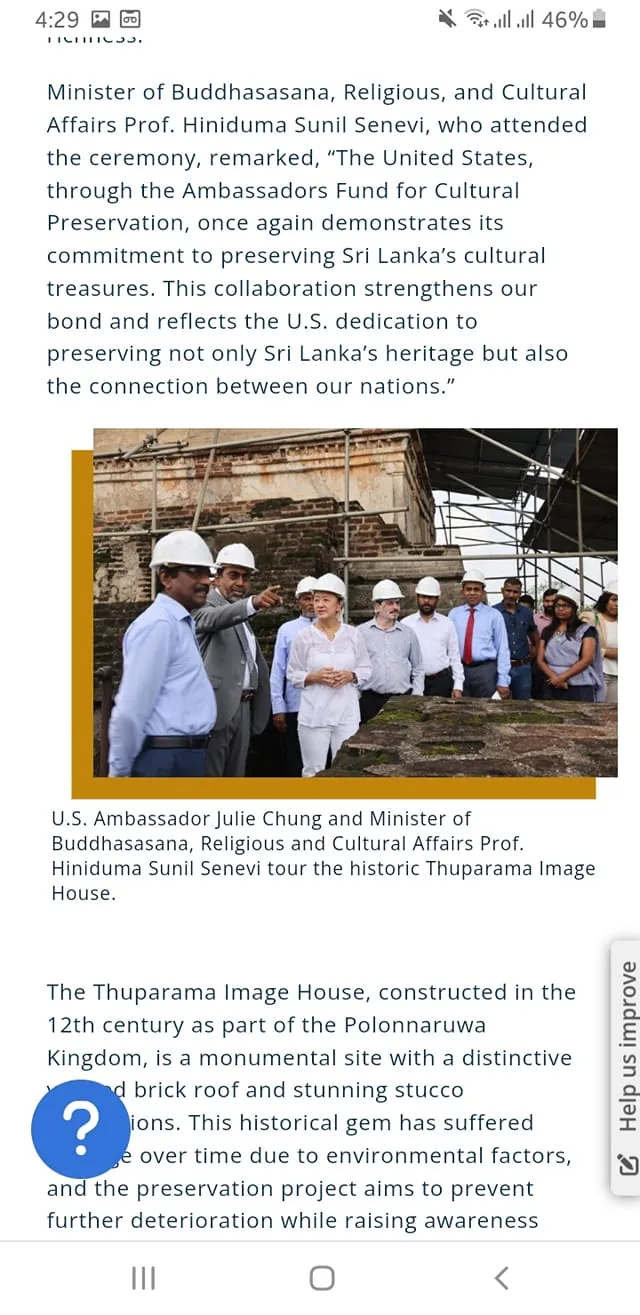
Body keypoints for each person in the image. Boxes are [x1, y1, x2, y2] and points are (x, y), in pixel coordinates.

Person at [108, 530, 217, 778]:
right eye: (194, 572)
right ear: (166, 577)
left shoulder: (178, 622)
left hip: (183, 757)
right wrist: (118, 773)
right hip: (164, 760)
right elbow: (130, 709)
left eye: (207, 573)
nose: (206, 581)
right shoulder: (159, 625)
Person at [194, 543, 282, 777]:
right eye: (233, 575)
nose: (241, 583)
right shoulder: (204, 605)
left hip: (244, 708)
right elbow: (212, 619)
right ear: (216, 577)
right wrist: (252, 603)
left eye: (246, 577)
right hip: (217, 708)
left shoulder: (240, 614)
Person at [286, 573, 372, 777]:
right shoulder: (304, 636)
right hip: (315, 714)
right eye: (316, 600)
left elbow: (366, 668)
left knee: (344, 770)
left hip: (346, 713)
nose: (319, 605)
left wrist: (351, 675)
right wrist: (314, 677)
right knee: (313, 771)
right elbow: (292, 674)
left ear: (339, 604)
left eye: (326, 599)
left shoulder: (353, 634)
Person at [357, 580, 424, 723]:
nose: (396, 607)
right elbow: (353, 667)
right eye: (390, 603)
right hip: (369, 700)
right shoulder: (360, 633)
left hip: (401, 700)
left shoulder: (408, 633)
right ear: (377, 606)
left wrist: (416, 695)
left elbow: (418, 668)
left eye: (397, 603)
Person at [270, 576, 318, 775]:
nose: (311, 604)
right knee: (295, 760)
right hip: (295, 705)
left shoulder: (335, 629)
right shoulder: (287, 630)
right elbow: (277, 670)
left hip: (324, 705)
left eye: (315, 598)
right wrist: (278, 707)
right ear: (299, 601)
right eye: (306, 598)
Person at [448, 570, 511, 699]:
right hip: (460, 669)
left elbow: (502, 648)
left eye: (476, 589)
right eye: (468, 589)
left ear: (483, 592)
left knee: (487, 709)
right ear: (462, 591)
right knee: (460, 710)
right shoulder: (454, 614)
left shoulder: (494, 615)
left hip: (485, 670)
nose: (472, 593)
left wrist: (503, 680)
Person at [537, 588, 604, 702]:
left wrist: (562, 677)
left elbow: (586, 659)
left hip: (579, 684)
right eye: (558, 606)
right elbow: (540, 660)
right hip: (552, 682)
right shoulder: (547, 630)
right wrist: (554, 678)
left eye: (566, 606)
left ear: (574, 608)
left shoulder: (586, 630)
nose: (560, 609)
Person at [402, 575, 463, 699]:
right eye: (423, 597)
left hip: (442, 683)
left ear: (437, 599)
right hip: (413, 682)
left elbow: (454, 657)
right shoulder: (405, 624)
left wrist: (458, 685)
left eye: (430, 598)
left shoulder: (447, 623)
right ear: (417, 597)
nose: (426, 601)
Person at [493, 577, 539, 700]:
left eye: (515, 592)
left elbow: (533, 633)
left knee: (524, 704)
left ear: (520, 593)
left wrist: (535, 650)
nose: (511, 595)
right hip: (499, 667)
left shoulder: (527, 613)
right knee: (498, 704)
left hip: (522, 667)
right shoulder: (493, 612)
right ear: (502, 591)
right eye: (508, 591)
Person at [580, 584, 618, 703]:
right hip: (599, 673)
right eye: (614, 599)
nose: (617, 604)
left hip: (618, 675)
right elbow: (582, 645)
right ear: (605, 600)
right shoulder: (592, 619)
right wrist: (606, 652)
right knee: (596, 710)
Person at [532, 587, 558, 697]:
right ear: (543, 602)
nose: (550, 604)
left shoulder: (563, 621)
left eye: (553, 601)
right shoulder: (534, 618)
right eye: (547, 601)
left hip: (558, 663)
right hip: (537, 663)